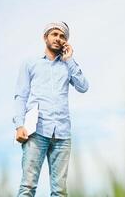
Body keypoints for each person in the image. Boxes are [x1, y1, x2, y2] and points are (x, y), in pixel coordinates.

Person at [13, 21, 89, 197]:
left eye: (63, 36)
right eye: (54, 34)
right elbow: (20, 96)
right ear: (45, 37)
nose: (58, 38)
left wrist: (69, 60)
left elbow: (83, 87)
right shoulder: (30, 63)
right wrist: (19, 125)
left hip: (62, 134)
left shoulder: (68, 65)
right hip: (36, 131)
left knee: (60, 191)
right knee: (28, 187)